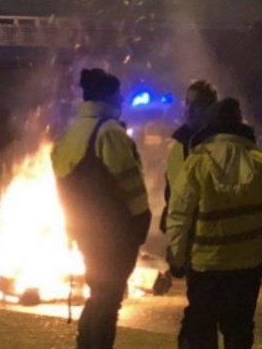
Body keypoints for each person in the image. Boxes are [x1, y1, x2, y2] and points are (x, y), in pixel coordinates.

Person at [52, 69, 151, 348]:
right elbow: (129, 182)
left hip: (85, 231)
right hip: (114, 231)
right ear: (108, 96)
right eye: (118, 94)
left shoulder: (72, 133)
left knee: (98, 294)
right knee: (108, 300)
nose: (122, 99)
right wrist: (141, 220)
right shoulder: (108, 131)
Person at [167, 99, 262, 349]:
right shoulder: (258, 161)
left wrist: (176, 258)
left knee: (199, 332)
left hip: (205, 267)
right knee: (239, 331)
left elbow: (179, 216)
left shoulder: (197, 162)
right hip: (247, 266)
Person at [160, 80, 218, 233]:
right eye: (187, 103)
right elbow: (171, 194)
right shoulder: (177, 148)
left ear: (210, 109)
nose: (189, 110)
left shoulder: (221, 146)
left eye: (196, 104)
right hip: (186, 239)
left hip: (213, 240)